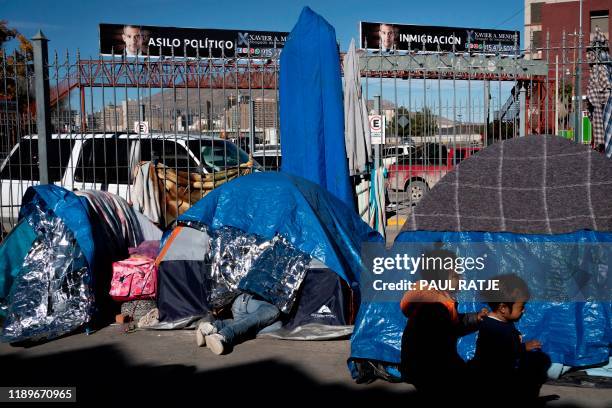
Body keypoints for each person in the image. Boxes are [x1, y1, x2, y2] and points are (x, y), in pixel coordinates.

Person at [399, 247, 488, 395]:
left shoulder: (434, 300)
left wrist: (475, 317)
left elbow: (454, 323)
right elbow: (442, 340)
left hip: (419, 365)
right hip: (429, 368)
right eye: (456, 275)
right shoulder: (434, 307)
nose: (461, 279)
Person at [470, 274, 551, 403]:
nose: (523, 310)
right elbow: (504, 353)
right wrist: (524, 346)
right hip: (490, 380)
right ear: (503, 308)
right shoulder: (493, 328)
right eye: (521, 306)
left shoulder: (502, 322)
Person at [195, 292, 280, 355]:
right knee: (272, 311)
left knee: (273, 324)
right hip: (245, 301)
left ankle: (210, 327)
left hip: (241, 307)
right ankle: (222, 336)